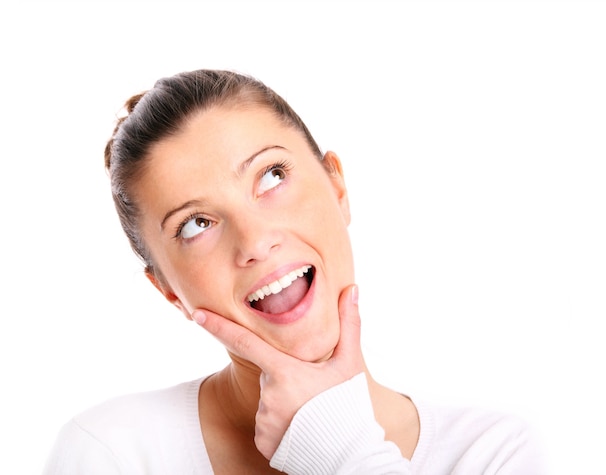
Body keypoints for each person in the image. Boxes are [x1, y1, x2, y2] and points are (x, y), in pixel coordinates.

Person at [43, 69, 546, 474]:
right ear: (169, 292)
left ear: (338, 187)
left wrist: (339, 446)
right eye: (196, 225)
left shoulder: (493, 454)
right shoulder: (113, 454)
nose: (256, 241)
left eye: (271, 176)